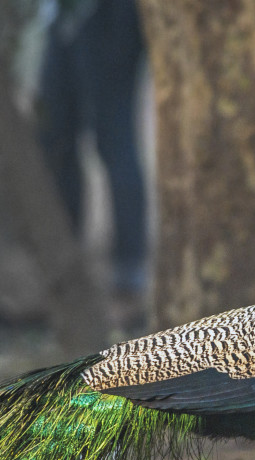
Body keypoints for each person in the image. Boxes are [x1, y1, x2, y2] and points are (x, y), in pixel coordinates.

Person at [37, 0, 147, 308]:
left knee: (114, 138)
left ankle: (130, 269)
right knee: (53, 136)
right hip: (60, 14)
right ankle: (67, 256)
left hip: (111, 14)